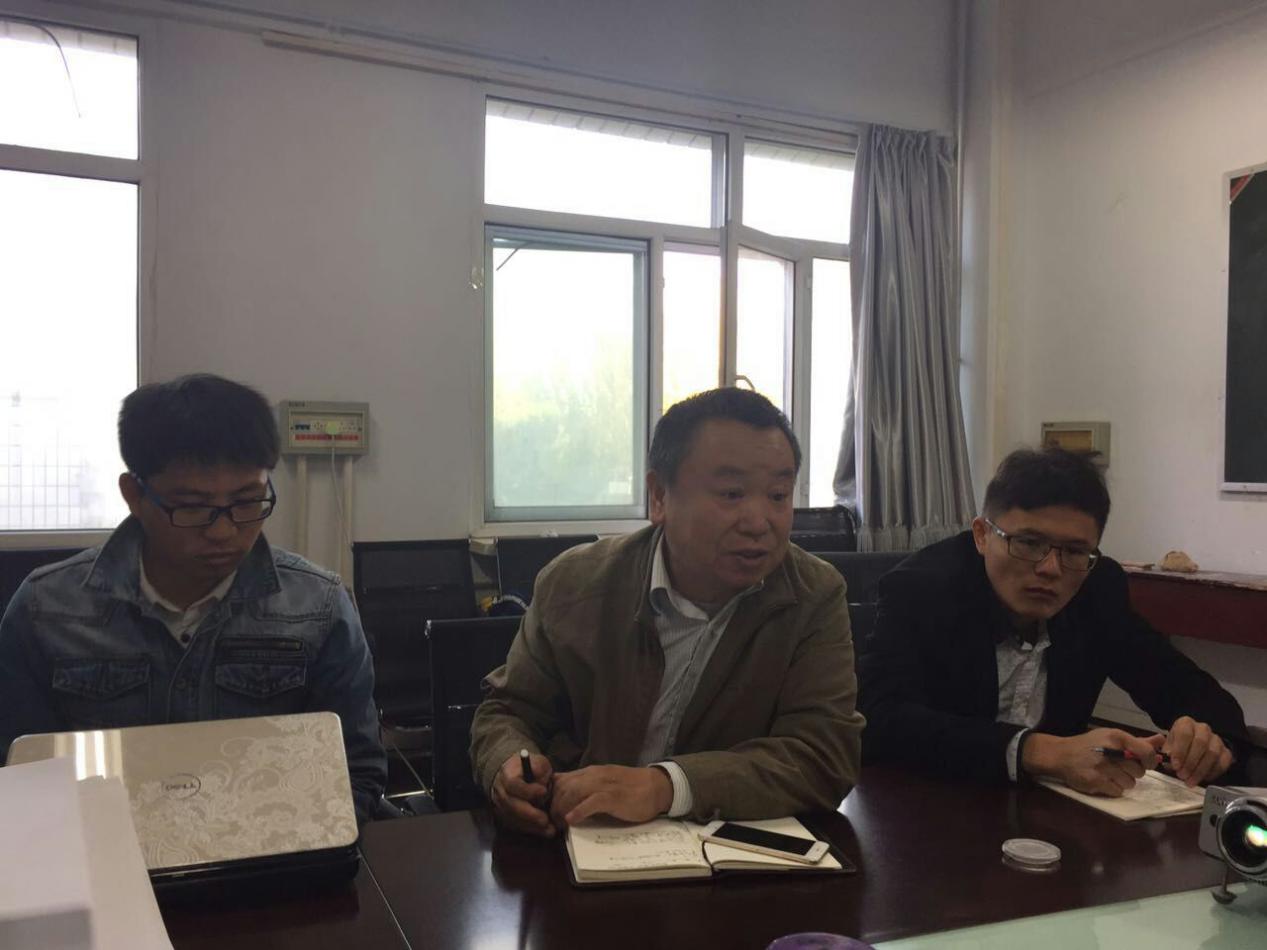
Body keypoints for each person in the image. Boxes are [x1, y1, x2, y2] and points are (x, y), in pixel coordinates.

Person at [470, 388, 863, 836]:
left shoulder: (813, 595)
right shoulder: (574, 584)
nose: (760, 522)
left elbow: (823, 756)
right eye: (732, 493)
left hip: (729, 861)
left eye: (778, 495)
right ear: (659, 496)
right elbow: (506, 711)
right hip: (577, 841)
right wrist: (507, 765)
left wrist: (665, 786)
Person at [0, 374, 386, 820]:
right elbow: (19, 779)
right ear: (134, 495)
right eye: (193, 507)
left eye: (247, 501)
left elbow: (356, 774)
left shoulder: (318, 608)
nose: (223, 531)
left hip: (273, 852)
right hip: (98, 851)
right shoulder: (45, 610)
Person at [859, 447, 1250, 796]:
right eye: (1029, 543)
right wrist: (1041, 752)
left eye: (1075, 551)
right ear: (982, 535)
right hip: (927, 808)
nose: (1050, 568)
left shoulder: (1097, 588)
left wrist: (1207, 741)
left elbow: (1192, 691)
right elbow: (878, 720)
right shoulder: (922, 588)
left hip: (1052, 819)